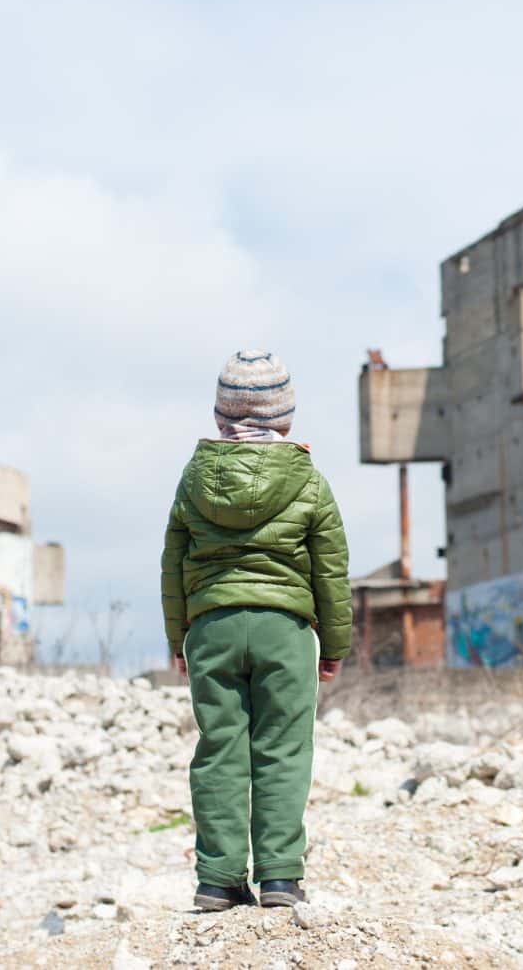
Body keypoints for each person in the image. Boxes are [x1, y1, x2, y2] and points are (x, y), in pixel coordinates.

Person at [160, 349, 352, 911]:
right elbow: (330, 571)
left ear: (221, 418)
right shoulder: (309, 482)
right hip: (284, 629)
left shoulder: (193, 478)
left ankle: (217, 881)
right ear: (285, 419)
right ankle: (280, 879)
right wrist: (334, 646)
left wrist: (179, 638)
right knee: (283, 749)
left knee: (220, 748)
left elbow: (173, 564)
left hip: (212, 626)